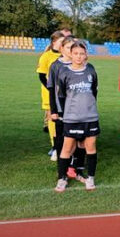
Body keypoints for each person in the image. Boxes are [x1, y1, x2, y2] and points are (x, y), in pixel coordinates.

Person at [54, 41, 99, 192]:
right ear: (70, 54)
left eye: (82, 53)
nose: (79, 56)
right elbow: (61, 96)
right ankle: (62, 179)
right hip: (71, 118)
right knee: (67, 148)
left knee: (90, 147)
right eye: (76, 53)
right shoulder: (64, 72)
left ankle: (90, 178)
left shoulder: (91, 70)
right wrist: (62, 114)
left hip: (90, 117)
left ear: (86, 54)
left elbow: (94, 91)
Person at [48, 36, 87, 182]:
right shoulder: (56, 66)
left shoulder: (80, 65)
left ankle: (76, 169)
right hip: (61, 111)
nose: (72, 52)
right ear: (62, 49)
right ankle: (62, 172)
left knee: (79, 140)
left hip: (78, 111)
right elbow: (51, 89)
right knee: (62, 142)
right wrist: (53, 111)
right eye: (68, 48)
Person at [36, 31, 64, 159]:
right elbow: (42, 76)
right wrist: (51, 89)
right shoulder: (46, 56)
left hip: (64, 94)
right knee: (53, 118)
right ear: (54, 43)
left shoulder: (66, 55)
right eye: (60, 42)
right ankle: (54, 146)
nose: (63, 44)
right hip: (49, 94)